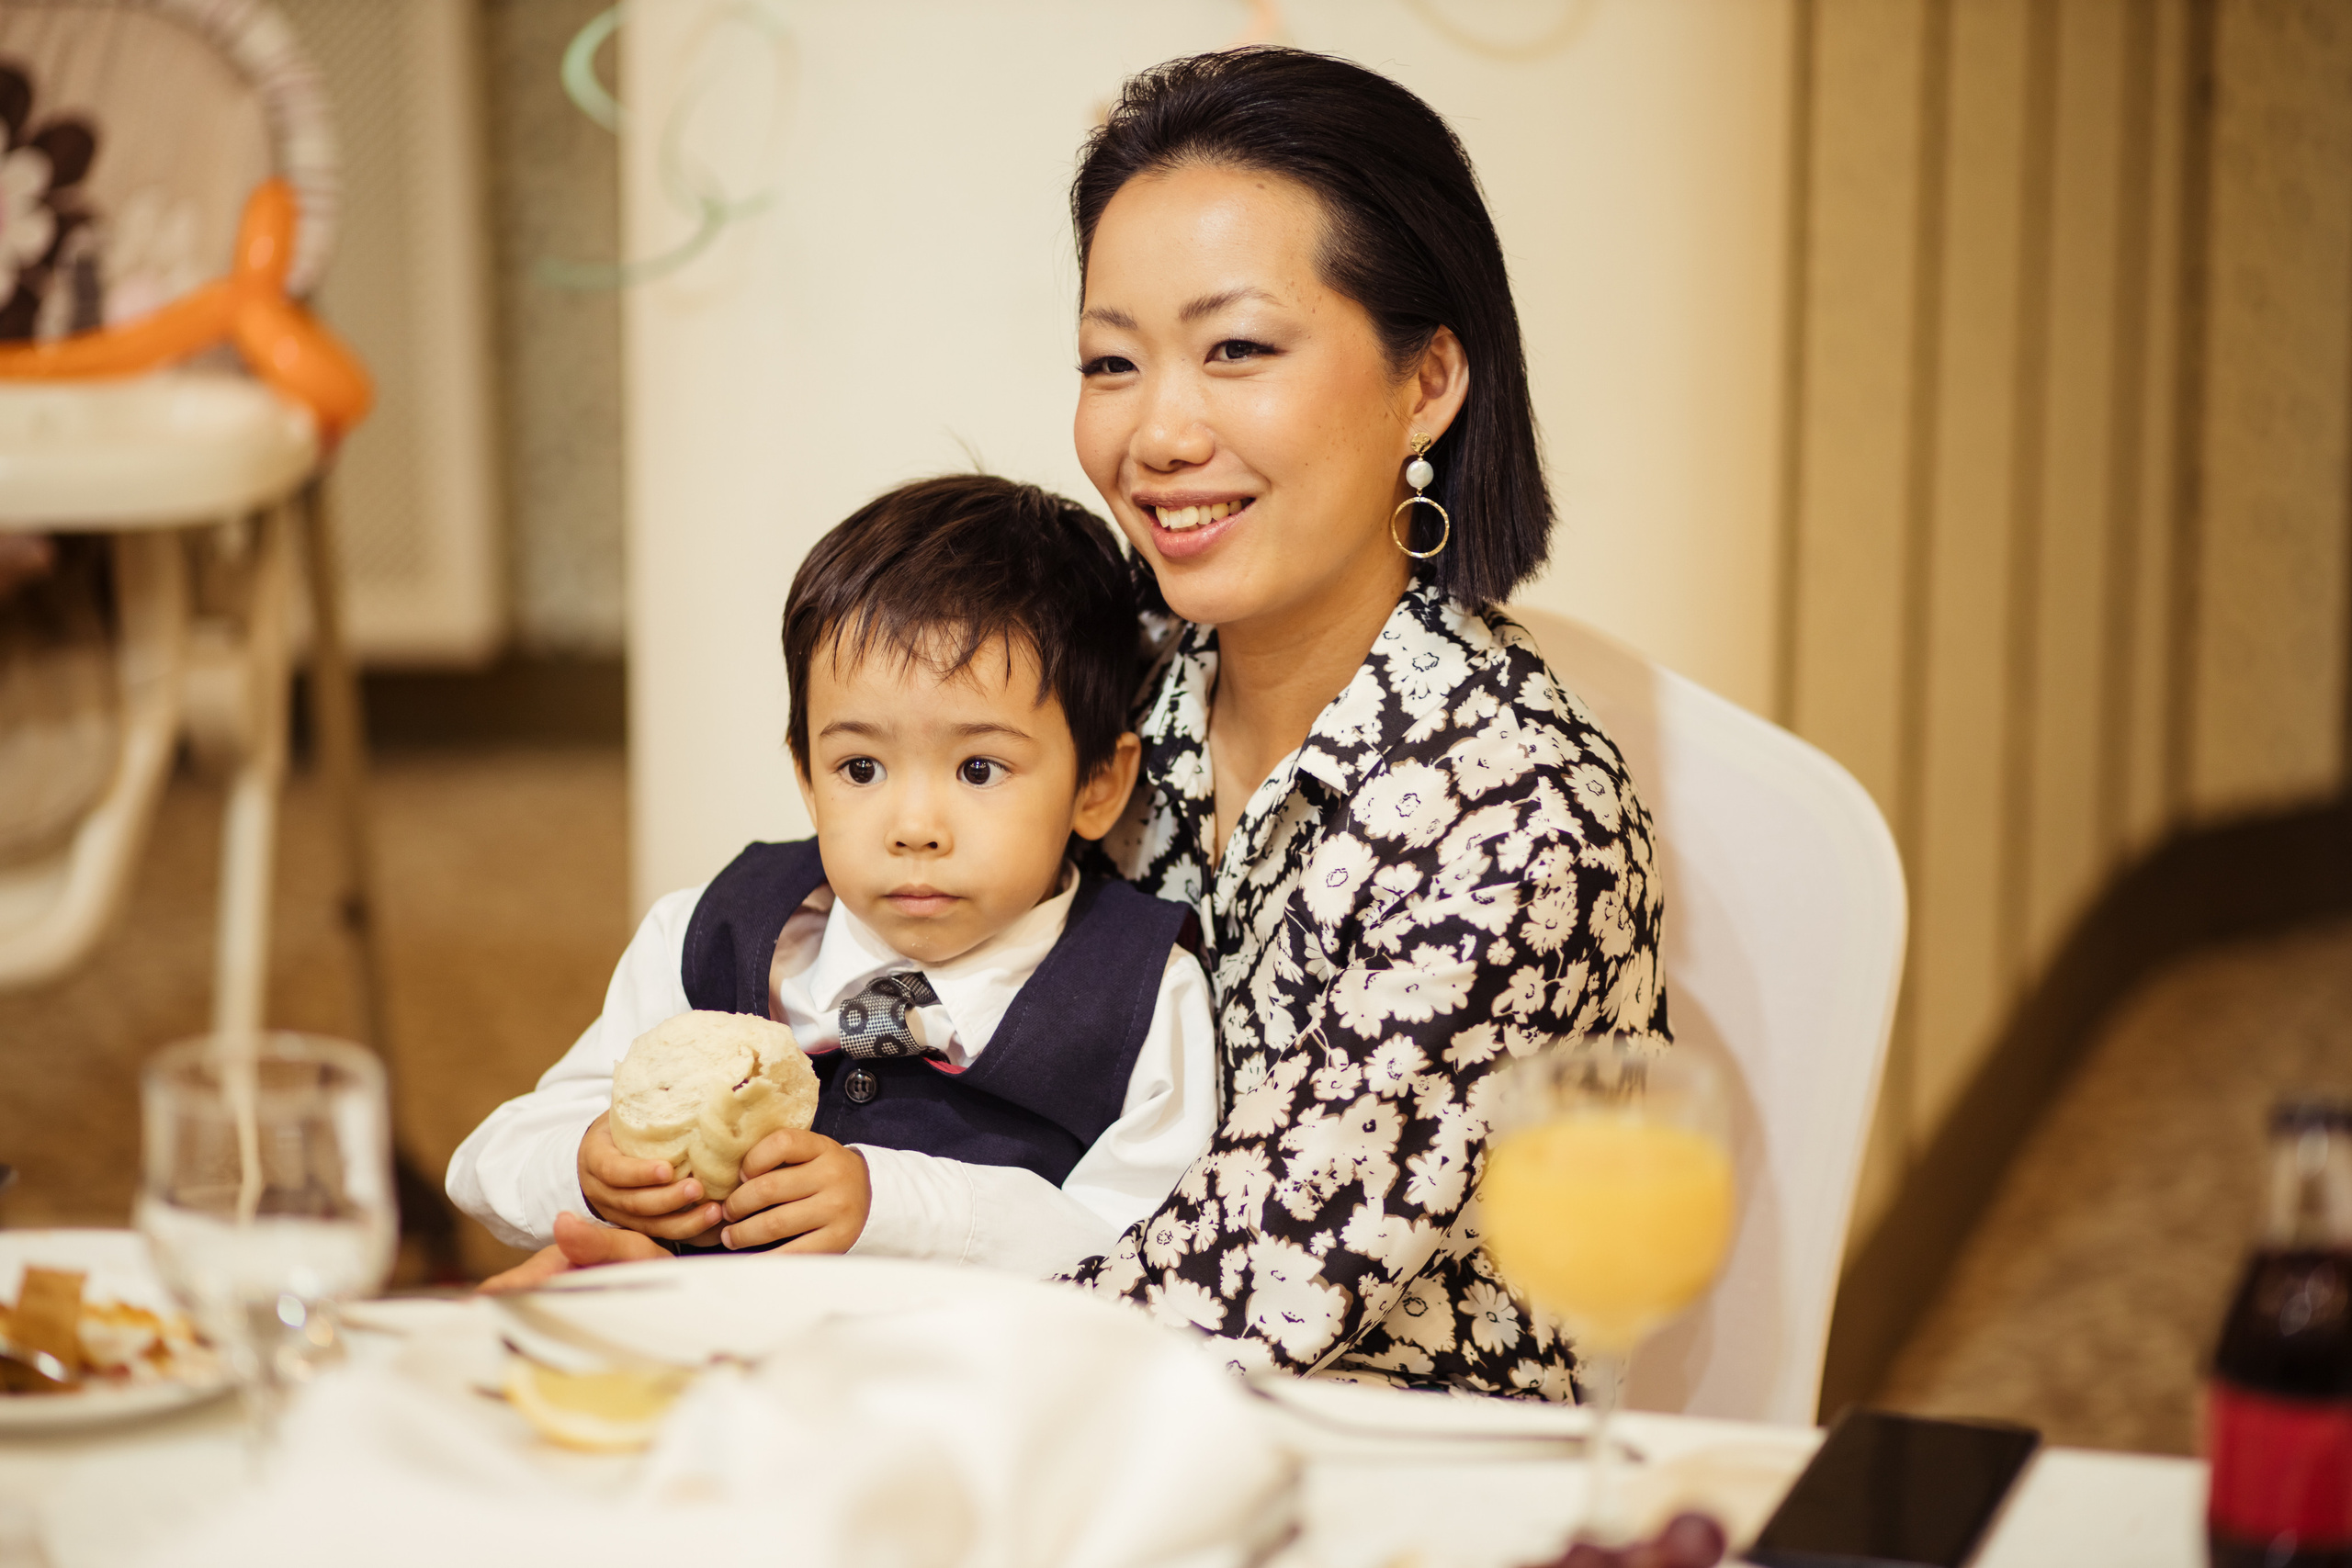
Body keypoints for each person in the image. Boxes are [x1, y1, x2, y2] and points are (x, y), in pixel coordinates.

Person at [1052, 47, 1670, 1400]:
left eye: (1237, 350)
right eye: (1113, 360)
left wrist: (821, 1346)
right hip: (1064, 1432)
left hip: (1389, 1483)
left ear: (1428, 380)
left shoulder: (1514, 814)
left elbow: (1237, 1296)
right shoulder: (1103, 694)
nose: (1157, 431)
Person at [447, 475, 1217, 1285]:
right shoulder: (715, 934)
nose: (913, 825)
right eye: (860, 767)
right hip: (699, 1352)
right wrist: (586, 1163)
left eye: (979, 768)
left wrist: (893, 1205)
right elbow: (492, 1158)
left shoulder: (1141, 993)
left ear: (1097, 783)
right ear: (807, 777)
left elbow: (1146, 1256)